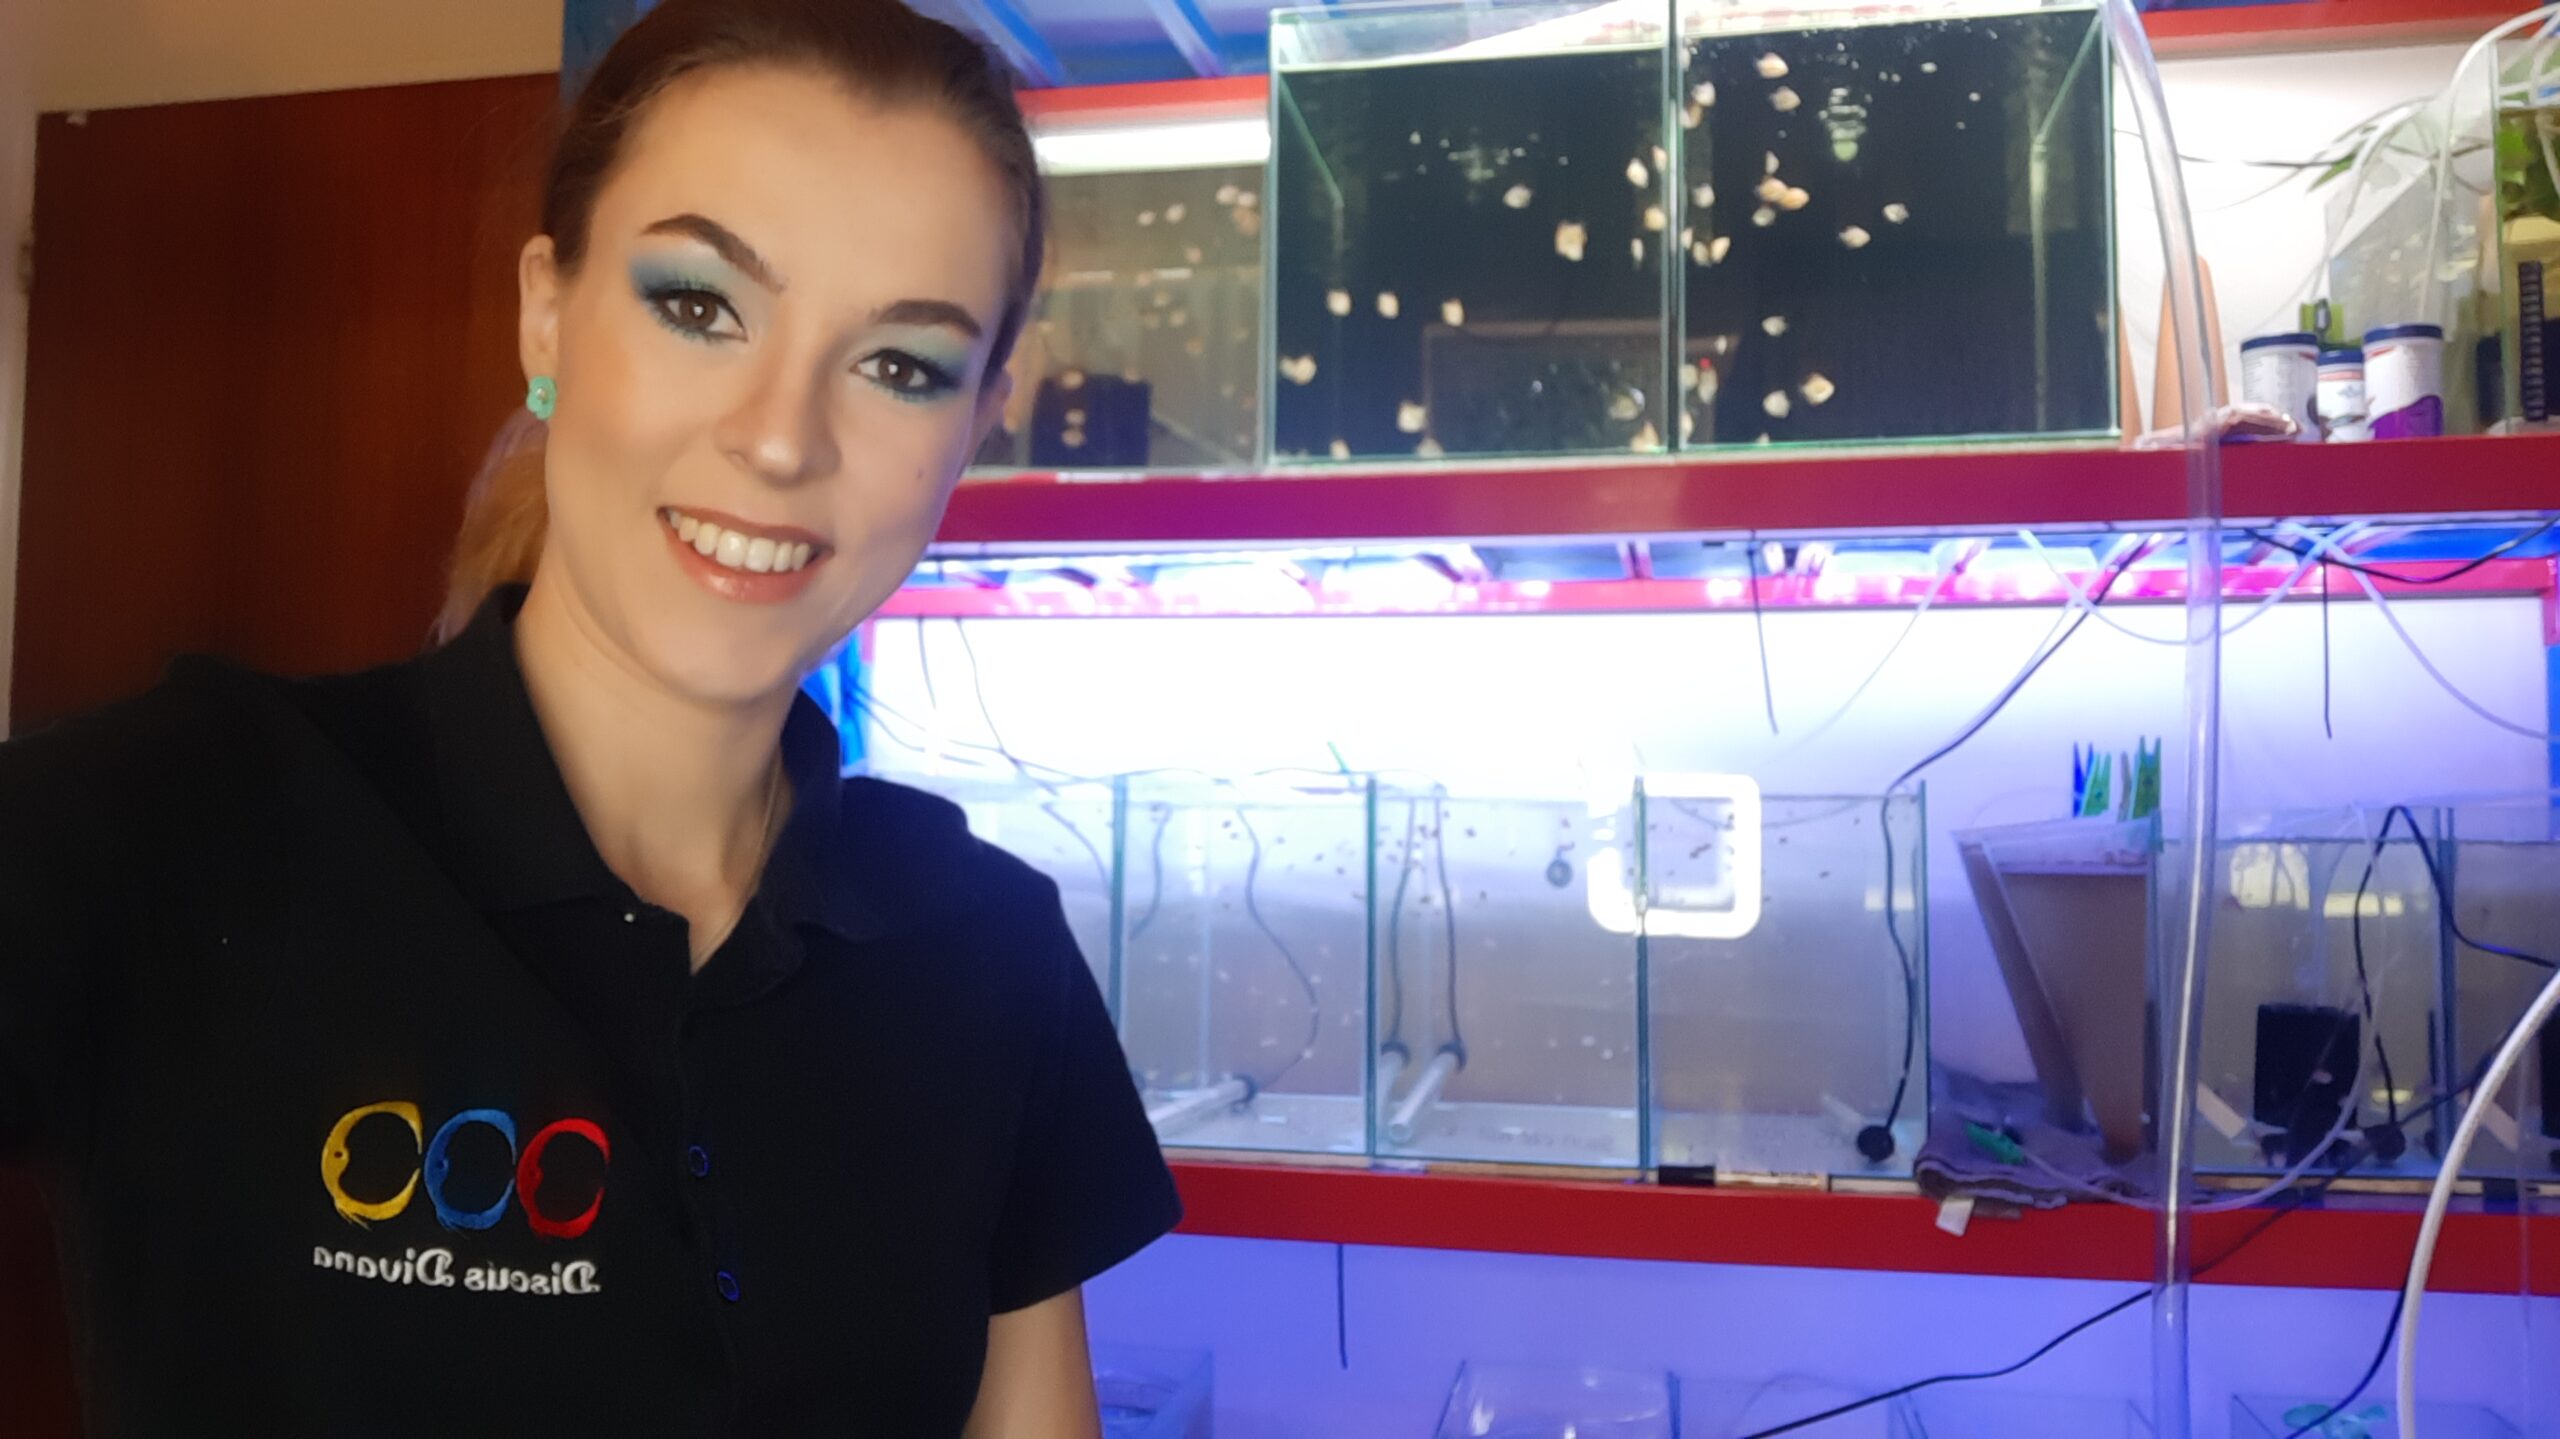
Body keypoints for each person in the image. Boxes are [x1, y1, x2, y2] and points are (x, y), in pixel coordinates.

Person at [0, 1, 1179, 1433]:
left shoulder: (986, 949)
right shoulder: (184, 822)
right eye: (699, 305)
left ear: (979, 423)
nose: (779, 438)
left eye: (900, 366)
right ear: (545, 313)